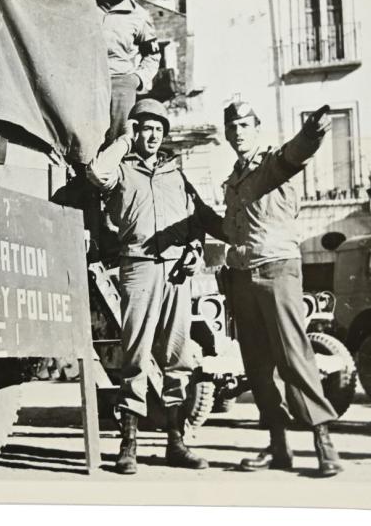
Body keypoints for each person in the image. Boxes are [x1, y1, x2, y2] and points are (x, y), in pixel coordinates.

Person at [86, 98, 224, 475]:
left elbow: (197, 222)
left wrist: (195, 250)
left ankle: (176, 442)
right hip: (139, 268)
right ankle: (128, 443)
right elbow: (96, 174)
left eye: (158, 130)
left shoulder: (176, 175)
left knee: (178, 357)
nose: (153, 136)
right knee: (135, 355)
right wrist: (123, 141)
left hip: (178, 273)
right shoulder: (122, 170)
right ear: (136, 130)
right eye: (146, 128)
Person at [221, 99, 344, 477]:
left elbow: (297, 153)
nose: (238, 132)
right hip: (243, 278)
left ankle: (324, 444)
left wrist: (314, 130)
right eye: (232, 127)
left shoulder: (273, 164)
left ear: (256, 128)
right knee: (257, 367)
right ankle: (278, 446)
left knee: (294, 357)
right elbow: (229, 230)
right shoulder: (234, 180)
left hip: (277, 271)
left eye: (244, 125)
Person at [93, 0, 161, 145]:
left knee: (118, 140)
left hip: (120, 84)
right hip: (86, 80)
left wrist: (137, 79)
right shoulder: (87, 0)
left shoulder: (139, 16)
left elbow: (153, 55)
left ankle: (115, 173)